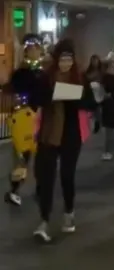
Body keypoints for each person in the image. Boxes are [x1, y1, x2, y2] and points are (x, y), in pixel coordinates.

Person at [33, 39, 96, 243]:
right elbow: (36, 99)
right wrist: (52, 95)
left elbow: (90, 104)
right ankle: (44, 221)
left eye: (69, 58)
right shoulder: (45, 78)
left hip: (71, 135)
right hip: (48, 134)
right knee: (46, 178)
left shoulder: (80, 79)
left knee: (67, 176)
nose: (66, 62)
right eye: (62, 58)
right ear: (56, 59)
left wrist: (73, 96)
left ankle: (69, 212)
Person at [4, 33, 51, 206]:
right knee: (22, 156)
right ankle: (14, 190)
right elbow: (14, 88)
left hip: (42, 118)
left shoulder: (44, 72)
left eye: (36, 49)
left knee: (42, 157)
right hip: (25, 118)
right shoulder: (21, 72)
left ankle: (41, 189)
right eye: (30, 49)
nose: (33, 52)